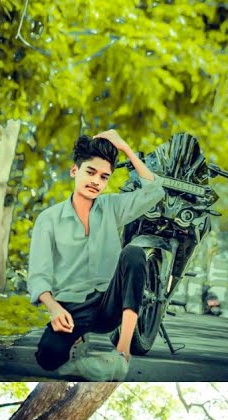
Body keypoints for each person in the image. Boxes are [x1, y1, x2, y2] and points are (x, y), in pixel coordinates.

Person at [28, 131, 166, 381]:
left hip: (108, 303)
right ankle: (78, 342)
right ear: (74, 171)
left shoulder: (112, 207)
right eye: (90, 172)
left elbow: (155, 192)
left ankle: (122, 352)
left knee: (134, 253)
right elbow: (39, 275)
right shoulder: (48, 219)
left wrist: (126, 149)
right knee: (47, 357)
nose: (96, 182)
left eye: (104, 177)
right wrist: (53, 308)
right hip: (72, 308)